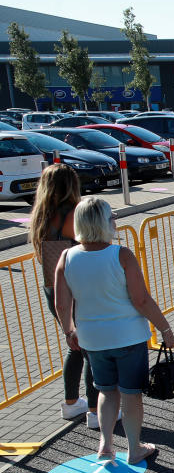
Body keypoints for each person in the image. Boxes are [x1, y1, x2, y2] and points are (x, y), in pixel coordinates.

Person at [55, 196, 174, 464]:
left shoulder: (67, 256)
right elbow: (141, 299)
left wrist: (69, 331)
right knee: (131, 395)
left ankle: (106, 446)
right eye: (112, 217)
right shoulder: (121, 255)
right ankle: (134, 449)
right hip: (128, 335)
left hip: (91, 338)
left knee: (107, 392)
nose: (115, 221)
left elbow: (62, 303)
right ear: (102, 222)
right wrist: (164, 327)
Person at [29, 164, 97, 428]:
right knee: (91, 347)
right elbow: (91, 244)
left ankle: (71, 403)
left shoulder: (43, 217)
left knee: (76, 344)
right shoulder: (72, 214)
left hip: (54, 288)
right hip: (76, 287)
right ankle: (94, 409)